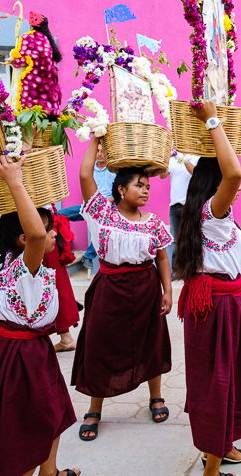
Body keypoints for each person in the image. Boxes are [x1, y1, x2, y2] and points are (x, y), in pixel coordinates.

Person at [0, 155, 80, 476]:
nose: (54, 234)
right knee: (27, 427)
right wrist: (15, 182)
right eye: (48, 230)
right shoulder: (24, 266)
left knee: (54, 411)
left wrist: (21, 162)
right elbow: (34, 235)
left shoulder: (11, 261)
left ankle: (49, 474)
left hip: (30, 350)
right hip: (20, 358)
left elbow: (33, 230)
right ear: (25, 239)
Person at [174, 102, 241, 476]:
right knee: (218, 384)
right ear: (215, 185)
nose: (234, 190)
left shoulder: (201, 213)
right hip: (217, 309)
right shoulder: (212, 212)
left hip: (220, 305)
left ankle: (222, 446)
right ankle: (210, 474)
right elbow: (235, 172)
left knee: (229, 378)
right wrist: (212, 120)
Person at [71, 136, 173, 441]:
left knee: (150, 342)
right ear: (120, 189)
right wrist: (95, 140)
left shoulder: (153, 222)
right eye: (139, 185)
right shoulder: (102, 212)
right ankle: (94, 409)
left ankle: (156, 397)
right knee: (101, 345)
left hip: (146, 289)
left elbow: (162, 256)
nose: (144, 191)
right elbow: (85, 175)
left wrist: (167, 290)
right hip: (109, 288)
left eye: (147, 186)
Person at [59, 143, 116, 272]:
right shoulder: (89, 169)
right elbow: (84, 189)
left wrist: (106, 203)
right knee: (59, 214)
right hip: (89, 206)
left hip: (106, 208)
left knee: (103, 229)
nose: (100, 154)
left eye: (102, 151)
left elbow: (117, 193)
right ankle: (63, 249)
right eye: (97, 151)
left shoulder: (113, 169)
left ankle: (88, 255)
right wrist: (86, 205)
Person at [159, 153, 199, 271]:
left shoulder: (196, 157)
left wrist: (183, 158)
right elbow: (162, 175)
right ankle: (176, 272)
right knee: (176, 240)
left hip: (189, 205)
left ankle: (191, 271)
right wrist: (167, 158)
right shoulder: (173, 159)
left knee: (191, 239)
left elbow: (195, 173)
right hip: (174, 205)